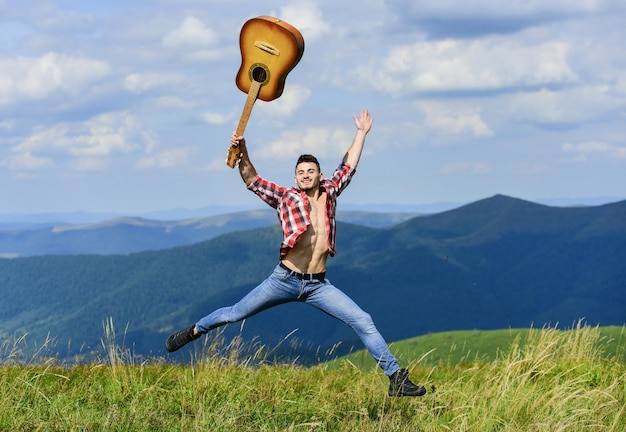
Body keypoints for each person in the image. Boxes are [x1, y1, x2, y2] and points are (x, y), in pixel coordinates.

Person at [166, 110, 426, 397]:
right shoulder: (286, 197)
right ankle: (195, 331)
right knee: (235, 313)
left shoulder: (331, 191)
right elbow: (252, 179)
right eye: (301, 172)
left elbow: (349, 165)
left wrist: (361, 133)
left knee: (363, 320)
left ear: (320, 175)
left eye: (310, 171)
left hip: (318, 285)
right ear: (295, 177)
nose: (306, 175)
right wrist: (243, 150)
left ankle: (396, 379)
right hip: (284, 280)